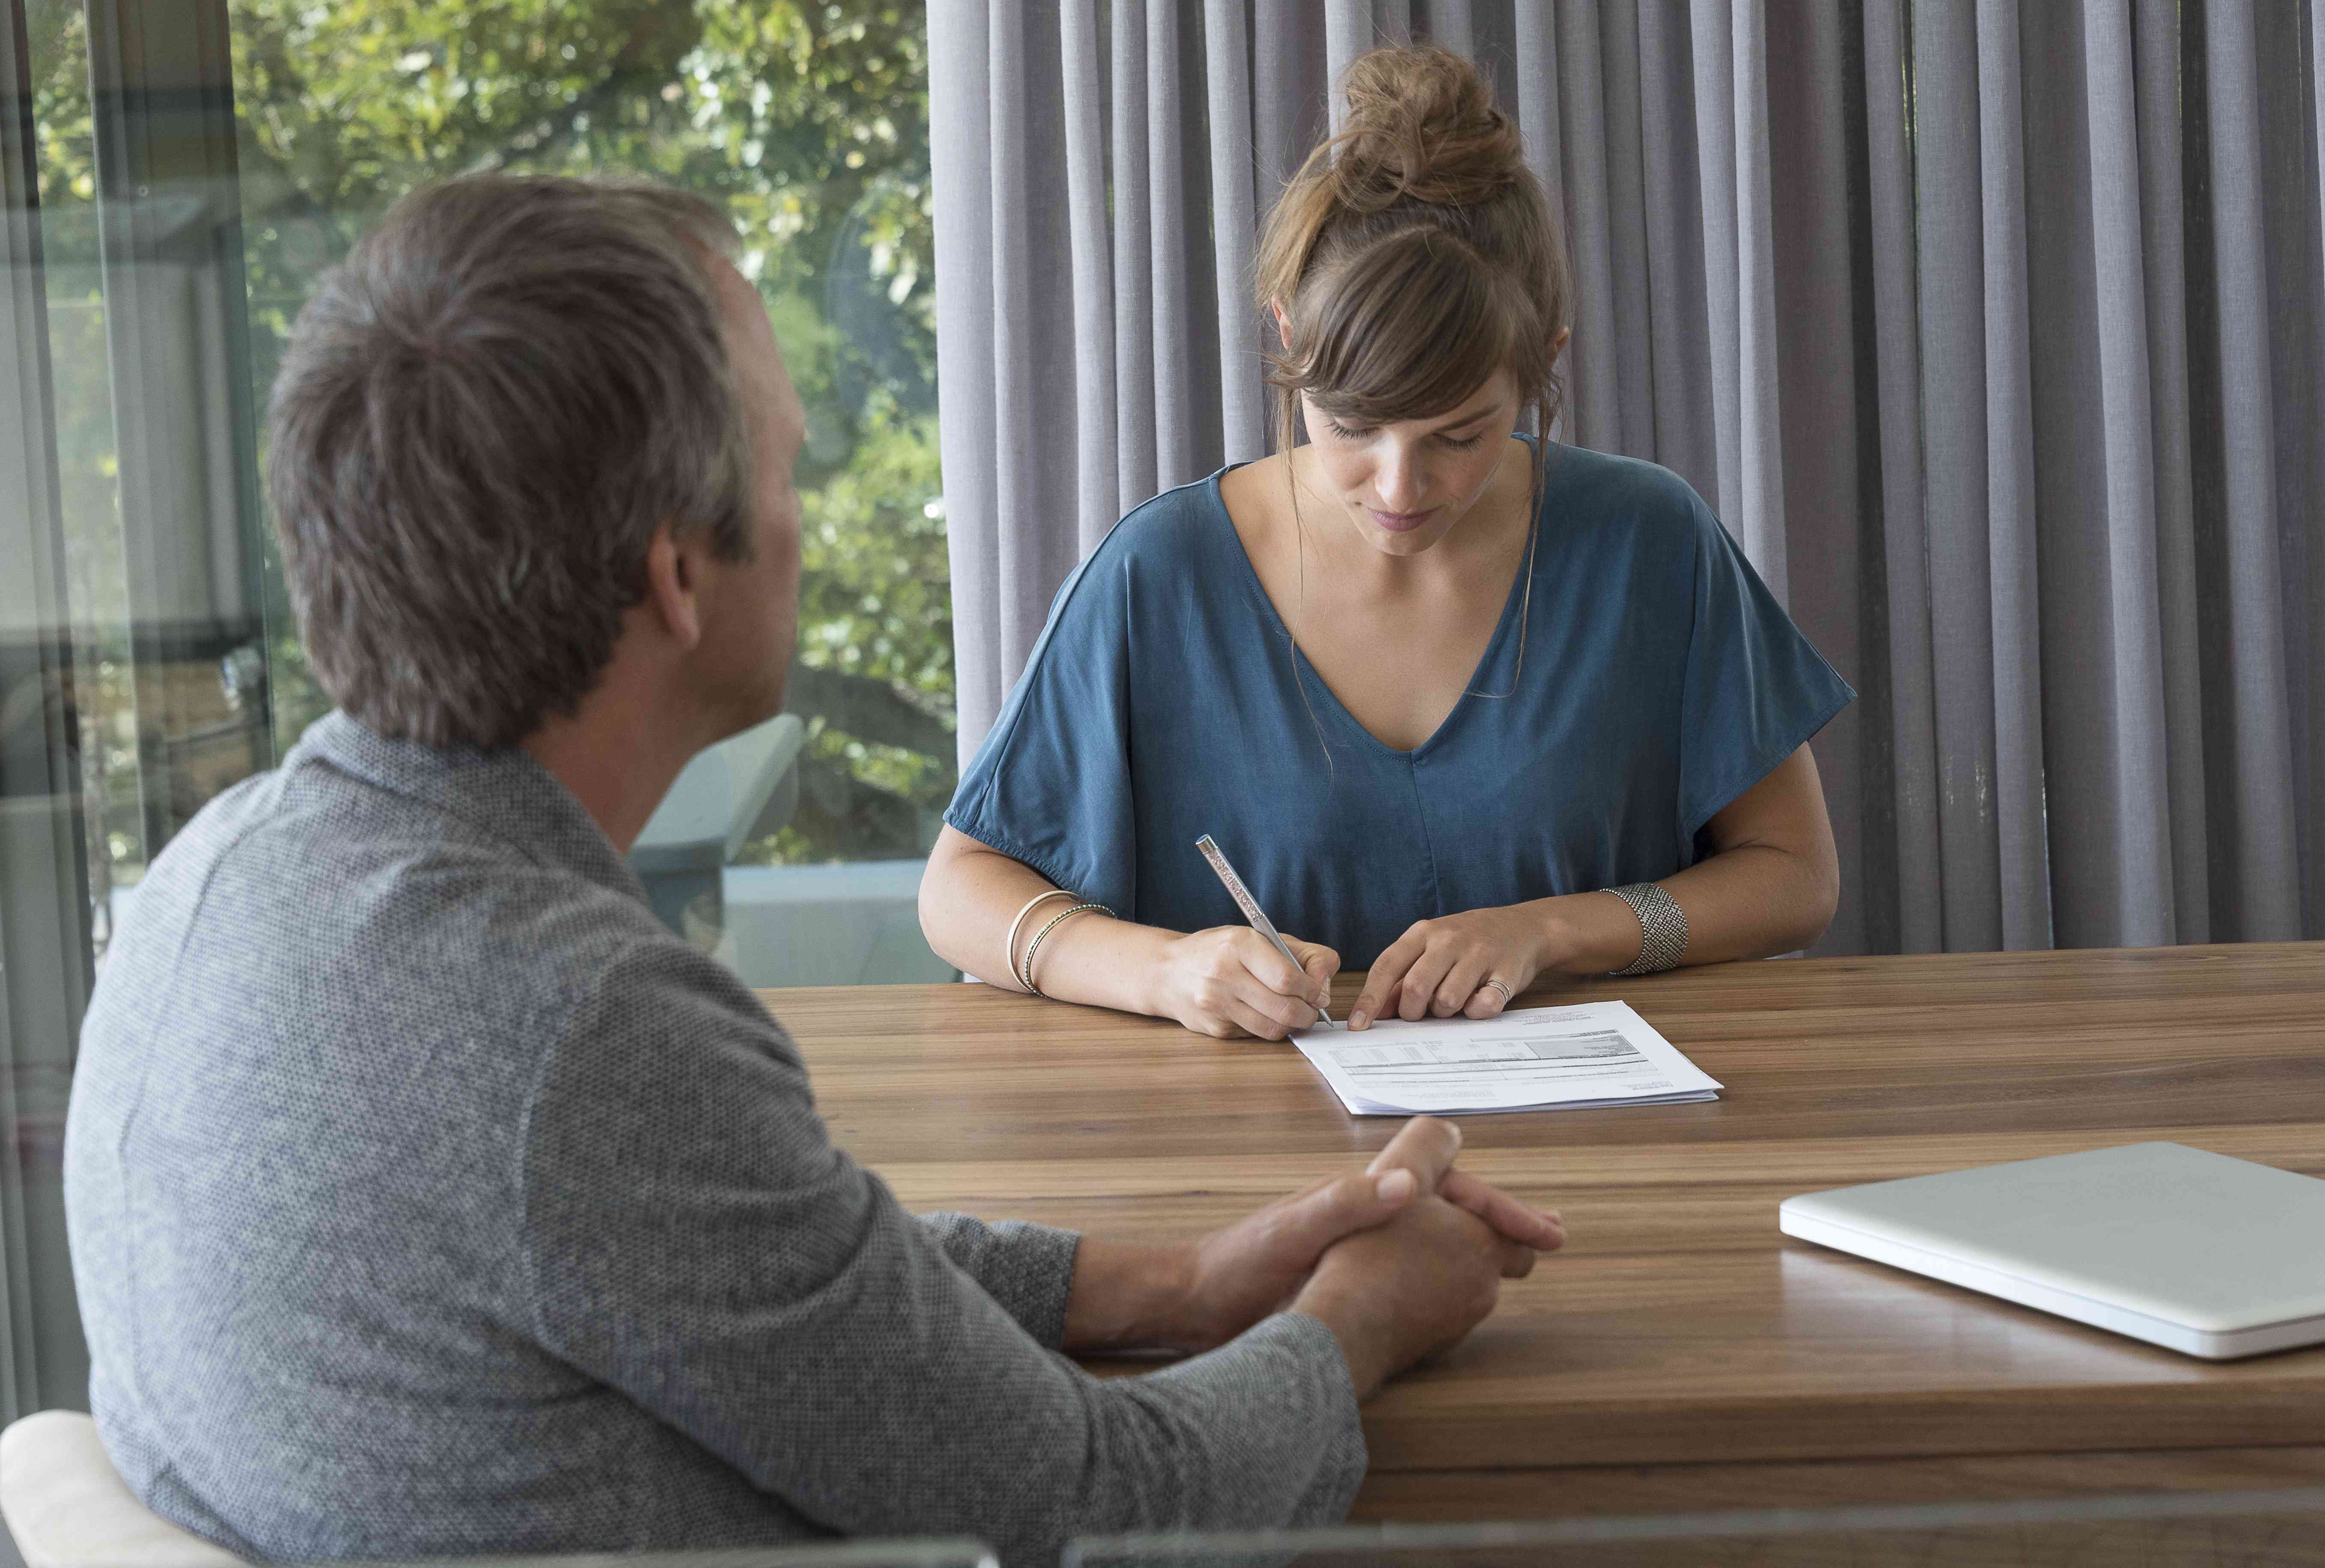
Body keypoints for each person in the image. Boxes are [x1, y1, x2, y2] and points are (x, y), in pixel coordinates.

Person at [60, 174, 1564, 1566]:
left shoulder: (215, 880)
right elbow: (1112, 1511)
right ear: (675, 572)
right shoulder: (583, 1036)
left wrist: (1178, 1282)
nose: (806, 512)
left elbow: (759, 1269)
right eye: (787, 465)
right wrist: (1357, 1319)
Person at [920, 45, 1853, 1042]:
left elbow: (1794, 878)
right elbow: (960, 892)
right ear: (1288, 335)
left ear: (1544, 362)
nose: (1401, 488)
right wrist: (1161, 970)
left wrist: (1554, 931)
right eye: (1354, 426)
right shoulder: (1162, 573)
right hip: (1239, 1161)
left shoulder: (1650, 542)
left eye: (1460, 435)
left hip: (1601, 1143)